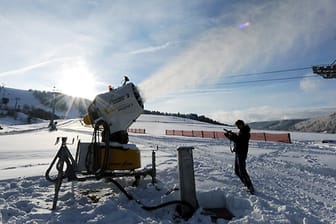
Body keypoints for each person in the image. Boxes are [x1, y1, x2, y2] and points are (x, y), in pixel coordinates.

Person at [224, 120, 254, 194]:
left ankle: (250, 186)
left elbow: (239, 140)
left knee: (242, 171)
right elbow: (238, 138)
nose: (237, 127)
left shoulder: (246, 132)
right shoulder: (242, 131)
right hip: (238, 152)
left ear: (241, 124)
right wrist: (232, 134)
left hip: (242, 153)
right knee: (237, 171)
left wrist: (230, 136)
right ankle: (246, 184)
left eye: (238, 125)